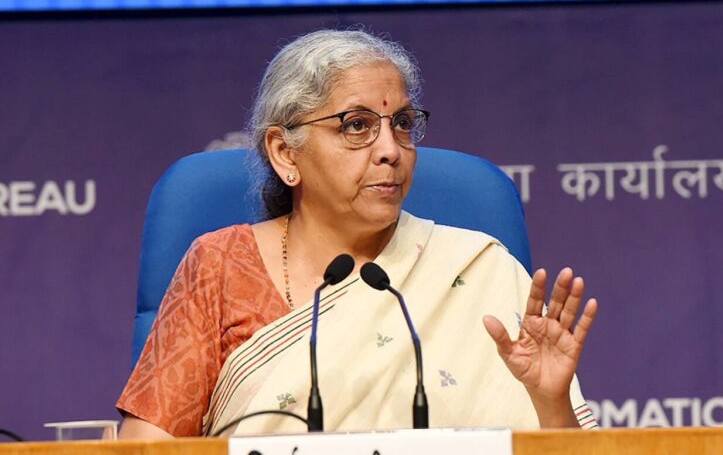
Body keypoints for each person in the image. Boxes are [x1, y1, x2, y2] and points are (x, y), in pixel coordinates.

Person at [117, 29, 599, 439]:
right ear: (285, 153)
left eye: (403, 124)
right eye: (357, 126)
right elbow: (148, 450)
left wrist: (549, 401)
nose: (391, 149)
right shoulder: (219, 266)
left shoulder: (478, 270)